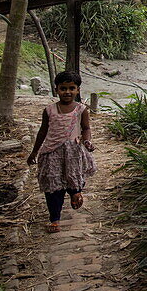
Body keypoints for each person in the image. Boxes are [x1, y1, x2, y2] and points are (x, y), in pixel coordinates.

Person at [27, 72, 96, 233]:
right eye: (63, 88)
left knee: (73, 177)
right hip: (52, 153)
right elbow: (42, 132)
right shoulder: (49, 110)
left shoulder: (81, 110)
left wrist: (87, 142)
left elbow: (86, 128)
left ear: (78, 90)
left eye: (71, 88)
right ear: (56, 89)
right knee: (53, 186)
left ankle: (75, 192)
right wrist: (34, 152)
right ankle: (55, 219)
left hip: (73, 152)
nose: (67, 92)